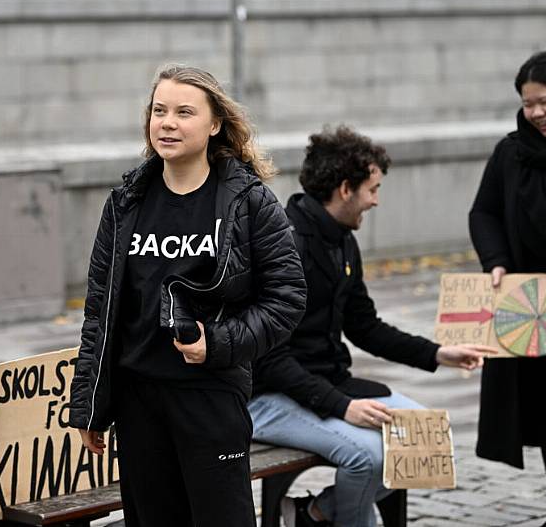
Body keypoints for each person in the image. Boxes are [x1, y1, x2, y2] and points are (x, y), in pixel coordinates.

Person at [69, 64, 307, 527]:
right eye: (159, 111)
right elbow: (100, 311)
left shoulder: (248, 201)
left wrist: (216, 343)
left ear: (215, 123)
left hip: (210, 396)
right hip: (139, 400)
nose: (168, 123)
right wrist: (90, 405)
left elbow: (287, 297)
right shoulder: (125, 203)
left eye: (183, 112)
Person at [250, 126, 491, 527]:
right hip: (269, 398)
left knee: (425, 435)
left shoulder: (342, 238)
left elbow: (364, 326)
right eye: (373, 190)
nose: (376, 201)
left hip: (326, 383)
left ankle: (311, 515)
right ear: (346, 189)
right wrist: (342, 407)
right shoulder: (286, 244)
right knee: (367, 457)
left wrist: (436, 353)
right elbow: (270, 360)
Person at [470, 50, 546, 527]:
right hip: (535, 306)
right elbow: (485, 213)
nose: (536, 112)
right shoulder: (511, 153)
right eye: (528, 103)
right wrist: (496, 261)